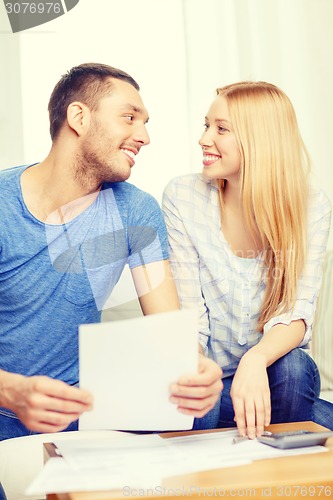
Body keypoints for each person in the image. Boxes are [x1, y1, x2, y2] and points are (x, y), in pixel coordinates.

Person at [0, 63, 222, 441]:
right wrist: (12, 391)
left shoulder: (137, 211)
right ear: (79, 117)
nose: (145, 136)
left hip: (86, 409)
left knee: (203, 409)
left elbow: (167, 330)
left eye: (145, 122)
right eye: (130, 118)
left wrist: (196, 369)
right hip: (5, 407)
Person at [162, 81, 333, 439]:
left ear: (260, 140)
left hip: (276, 383)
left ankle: (278, 477)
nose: (204, 139)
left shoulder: (310, 205)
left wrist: (255, 360)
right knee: (197, 390)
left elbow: (296, 313)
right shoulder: (183, 197)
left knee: (295, 368)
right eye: (206, 125)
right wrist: (201, 371)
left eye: (221, 129)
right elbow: (188, 317)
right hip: (216, 387)